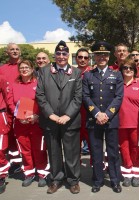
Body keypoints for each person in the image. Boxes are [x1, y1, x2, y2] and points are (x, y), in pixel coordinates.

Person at [36, 40, 82, 194]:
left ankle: (73, 180)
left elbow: (78, 97)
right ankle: (56, 179)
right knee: (54, 152)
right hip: (51, 121)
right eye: (58, 53)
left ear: (68, 55)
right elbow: (40, 96)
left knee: (71, 152)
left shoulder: (76, 73)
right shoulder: (43, 72)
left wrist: (67, 115)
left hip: (70, 121)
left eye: (64, 53)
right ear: (54, 55)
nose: (61, 56)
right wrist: (51, 115)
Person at [82, 41, 123, 193]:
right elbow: (85, 96)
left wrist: (107, 114)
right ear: (95, 56)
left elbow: (119, 97)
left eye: (104, 55)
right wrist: (97, 113)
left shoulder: (116, 74)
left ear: (108, 57)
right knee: (96, 151)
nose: (102, 57)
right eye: (99, 55)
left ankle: (115, 180)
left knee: (113, 152)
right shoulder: (88, 75)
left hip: (111, 119)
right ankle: (98, 180)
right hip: (94, 119)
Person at [6, 60, 49, 187]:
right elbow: (10, 102)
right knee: (25, 150)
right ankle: (29, 173)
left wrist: (37, 115)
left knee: (39, 149)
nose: (24, 69)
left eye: (27, 67)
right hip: (20, 123)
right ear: (19, 70)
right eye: (22, 68)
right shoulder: (14, 85)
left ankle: (42, 173)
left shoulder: (38, 83)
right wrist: (18, 115)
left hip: (36, 122)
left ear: (32, 69)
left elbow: (43, 101)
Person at [118, 59, 139, 187]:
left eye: (130, 68)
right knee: (124, 149)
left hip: (136, 124)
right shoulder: (117, 85)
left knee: (137, 148)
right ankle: (127, 173)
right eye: (125, 68)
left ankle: (137, 173)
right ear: (122, 70)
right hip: (120, 124)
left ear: (135, 70)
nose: (128, 70)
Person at [0, 43, 22, 175]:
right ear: (7, 52)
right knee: (9, 136)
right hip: (6, 110)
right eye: (12, 49)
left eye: (17, 49)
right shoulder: (2, 69)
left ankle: (27, 162)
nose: (14, 51)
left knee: (22, 136)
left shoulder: (25, 66)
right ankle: (15, 162)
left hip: (23, 107)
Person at [75, 48, 92, 160]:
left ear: (89, 59)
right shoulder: (71, 73)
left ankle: (97, 171)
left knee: (94, 146)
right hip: (75, 115)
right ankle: (74, 174)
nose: (82, 59)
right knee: (75, 147)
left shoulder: (94, 73)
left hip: (90, 115)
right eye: (80, 57)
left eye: (85, 57)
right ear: (76, 58)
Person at [0, 76, 11, 194]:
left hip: (0, 115)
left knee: (0, 148)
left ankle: (1, 176)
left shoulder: (1, 79)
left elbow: (7, 98)